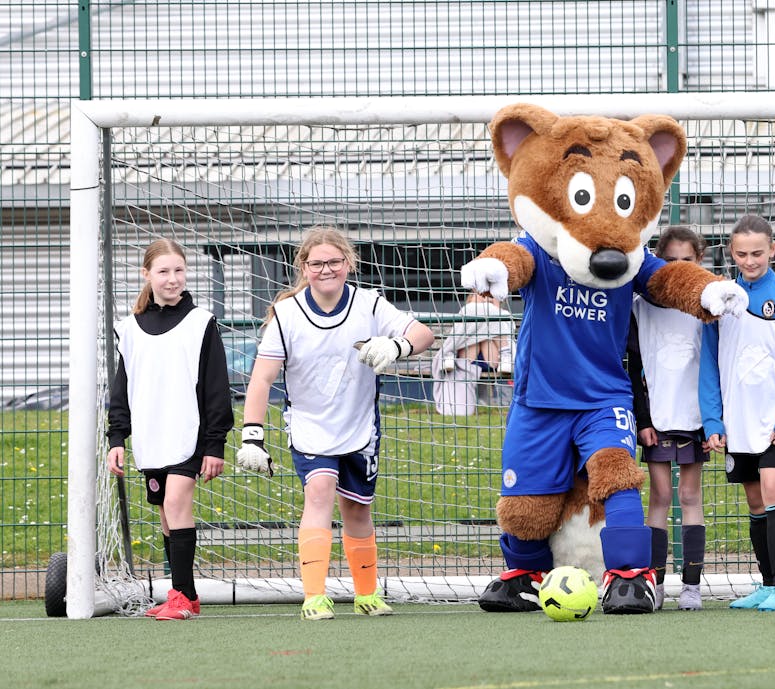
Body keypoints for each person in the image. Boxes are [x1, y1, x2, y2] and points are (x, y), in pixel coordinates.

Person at [236, 226, 435, 620]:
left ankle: (367, 594)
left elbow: (423, 333)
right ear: (303, 267)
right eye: (316, 263)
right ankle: (314, 595)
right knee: (320, 492)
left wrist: (398, 345)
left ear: (349, 264)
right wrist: (252, 437)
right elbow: (261, 378)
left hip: (359, 425)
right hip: (310, 424)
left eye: (334, 262)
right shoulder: (287, 314)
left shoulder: (370, 304)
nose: (326, 269)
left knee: (357, 510)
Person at [105, 238, 234, 621]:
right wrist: (117, 437)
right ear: (146, 275)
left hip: (189, 434)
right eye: (163, 271)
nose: (173, 278)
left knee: (177, 504)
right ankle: (185, 593)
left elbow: (216, 388)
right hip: (151, 436)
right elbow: (122, 388)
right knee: (165, 511)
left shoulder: (201, 323)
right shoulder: (129, 329)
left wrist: (215, 444)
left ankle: (179, 599)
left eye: (179, 270)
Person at [699, 214, 775, 612]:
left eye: (757, 253)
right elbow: (708, 366)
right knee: (755, 502)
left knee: (774, 492)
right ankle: (767, 585)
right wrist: (713, 420)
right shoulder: (720, 297)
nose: (749, 261)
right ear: (731, 253)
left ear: (773, 249)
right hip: (737, 422)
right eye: (741, 254)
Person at [627, 226, 710, 611]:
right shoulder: (641, 307)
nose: (679, 267)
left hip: (696, 419)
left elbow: (715, 369)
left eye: (687, 261)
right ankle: (655, 584)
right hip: (657, 419)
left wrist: (714, 421)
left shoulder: (708, 310)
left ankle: (691, 586)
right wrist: (643, 419)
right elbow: (633, 368)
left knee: (690, 496)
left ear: (700, 262)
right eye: (671, 260)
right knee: (659, 497)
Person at [433, 293, 515, 416]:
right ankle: (451, 352)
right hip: (467, 360)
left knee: (489, 325)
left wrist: (488, 314)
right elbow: (457, 336)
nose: (486, 300)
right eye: (482, 298)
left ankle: (505, 354)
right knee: (476, 326)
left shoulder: (503, 316)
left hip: (493, 359)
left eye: (491, 299)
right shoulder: (466, 315)